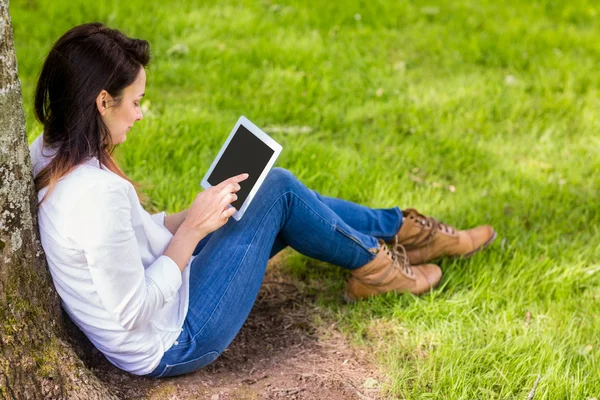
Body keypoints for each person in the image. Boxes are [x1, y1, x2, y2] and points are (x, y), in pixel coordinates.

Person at [30, 23, 496, 378]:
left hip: (164, 304)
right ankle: (386, 260)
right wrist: (194, 230)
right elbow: (133, 310)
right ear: (102, 102)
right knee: (278, 190)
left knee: (268, 191)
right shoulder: (96, 195)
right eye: (135, 101)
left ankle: (398, 238)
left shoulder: (50, 151)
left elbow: (121, 243)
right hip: (172, 340)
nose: (141, 113)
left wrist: (188, 216)